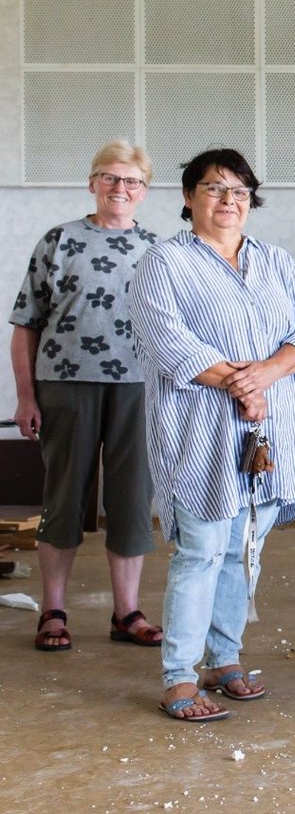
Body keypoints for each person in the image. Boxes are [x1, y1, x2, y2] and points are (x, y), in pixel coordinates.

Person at [128, 148, 295, 722]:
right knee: (201, 549)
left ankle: (225, 657)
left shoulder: (276, 261)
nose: (227, 201)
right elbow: (165, 339)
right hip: (203, 428)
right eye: (214, 189)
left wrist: (266, 373)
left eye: (239, 191)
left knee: (246, 550)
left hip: (270, 430)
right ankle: (180, 678)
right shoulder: (164, 261)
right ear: (189, 198)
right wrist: (241, 384)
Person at [9, 140, 163, 653]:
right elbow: (26, 325)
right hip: (65, 383)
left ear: (144, 191)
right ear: (92, 182)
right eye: (110, 177)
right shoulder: (60, 241)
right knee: (64, 496)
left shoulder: (160, 250)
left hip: (139, 387)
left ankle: (127, 612)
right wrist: (26, 398)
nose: (120, 188)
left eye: (131, 181)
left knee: (132, 499)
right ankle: (53, 610)